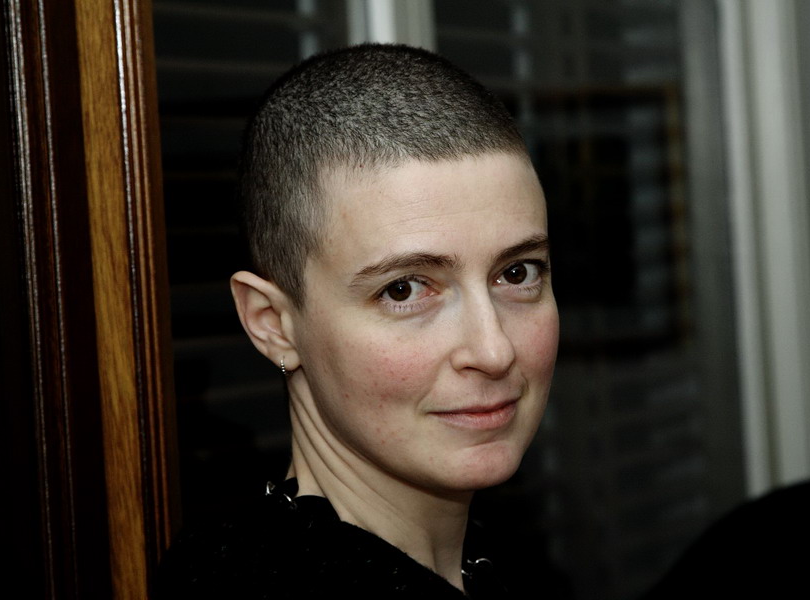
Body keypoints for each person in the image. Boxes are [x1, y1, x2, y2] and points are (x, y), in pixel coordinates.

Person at [156, 43, 559, 599]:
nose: (494, 351)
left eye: (516, 273)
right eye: (404, 289)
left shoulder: (505, 566)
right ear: (272, 323)